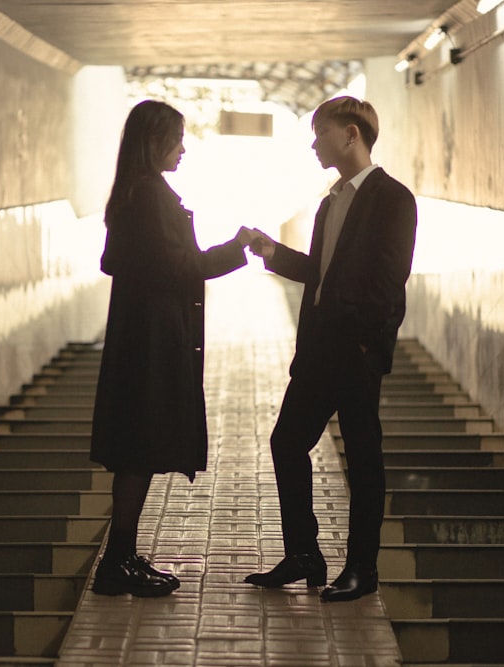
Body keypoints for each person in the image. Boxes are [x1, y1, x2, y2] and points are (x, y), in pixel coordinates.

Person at [244, 96, 417, 602]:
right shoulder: (330, 201)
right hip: (320, 350)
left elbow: (389, 279)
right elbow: (321, 272)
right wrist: (273, 253)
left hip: (356, 351)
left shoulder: (393, 198)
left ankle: (362, 569)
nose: (314, 142)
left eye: (321, 131)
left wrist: (364, 339)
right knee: (286, 443)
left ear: (351, 135)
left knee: (364, 460)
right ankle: (304, 554)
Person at [90, 100, 258, 597]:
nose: (184, 149)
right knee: (139, 449)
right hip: (150, 341)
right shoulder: (150, 196)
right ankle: (116, 563)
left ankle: (122, 556)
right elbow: (181, 268)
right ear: (155, 141)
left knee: (136, 449)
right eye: (177, 139)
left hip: (139, 336)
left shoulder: (133, 193)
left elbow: (126, 261)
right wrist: (236, 247)